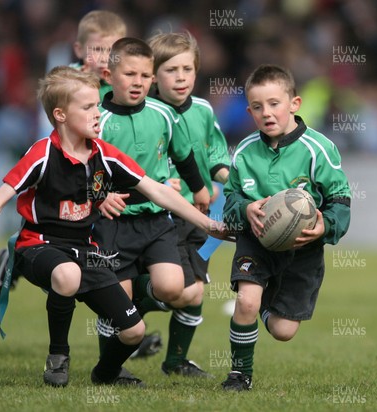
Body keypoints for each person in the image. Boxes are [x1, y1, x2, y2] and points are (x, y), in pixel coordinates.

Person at [0, 66, 225, 387]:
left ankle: (104, 375)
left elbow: (156, 190)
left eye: (97, 105)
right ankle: (58, 355)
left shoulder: (104, 154)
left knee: (134, 331)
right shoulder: (42, 154)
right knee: (67, 275)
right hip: (39, 245)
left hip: (87, 253)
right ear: (60, 115)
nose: (97, 112)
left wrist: (207, 223)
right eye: (88, 107)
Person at [220, 64, 351, 391]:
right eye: (258, 107)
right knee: (245, 302)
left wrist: (325, 227)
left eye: (275, 103)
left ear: (294, 103)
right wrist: (245, 208)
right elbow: (231, 199)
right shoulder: (245, 152)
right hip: (256, 242)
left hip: (302, 251)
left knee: (283, 330)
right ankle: (240, 374)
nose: (267, 113)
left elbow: (340, 199)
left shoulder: (318, 149)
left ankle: (263, 304)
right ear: (249, 111)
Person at [0, 10, 127, 307]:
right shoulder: (67, 83)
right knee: (75, 265)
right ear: (79, 49)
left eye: (112, 51)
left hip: (101, 177)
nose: (104, 58)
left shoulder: (125, 86)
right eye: (98, 49)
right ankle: (20, 255)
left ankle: (124, 325)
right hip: (64, 166)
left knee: (107, 260)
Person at [91, 37, 211, 361]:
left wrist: (199, 188)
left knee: (174, 288)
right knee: (117, 305)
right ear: (108, 75)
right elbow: (84, 167)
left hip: (156, 220)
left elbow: (183, 155)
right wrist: (99, 197)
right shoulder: (97, 119)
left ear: (153, 79)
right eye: (130, 74)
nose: (138, 82)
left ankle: (131, 296)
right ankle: (113, 368)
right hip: (112, 224)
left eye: (145, 76)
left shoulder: (162, 114)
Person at [145, 31, 230, 377]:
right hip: (161, 214)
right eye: (171, 70)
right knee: (183, 289)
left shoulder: (205, 110)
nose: (181, 78)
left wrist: (234, 179)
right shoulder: (147, 112)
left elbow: (216, 157)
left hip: (198, 215)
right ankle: (127, 305)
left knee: (195, 293)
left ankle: (176, 362)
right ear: (153, 76)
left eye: (187, 69)